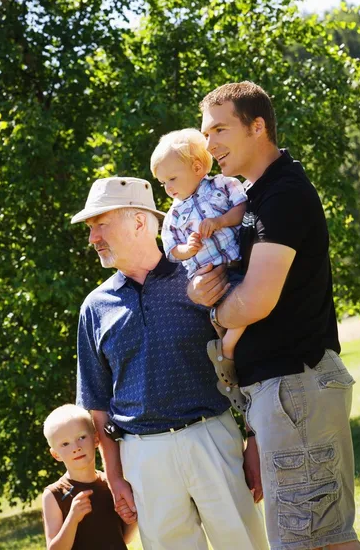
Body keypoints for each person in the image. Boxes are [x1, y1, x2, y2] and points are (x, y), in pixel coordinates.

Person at [188, 80, 360, 550]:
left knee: (304, 540)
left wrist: (218, 309)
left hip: (295, 388)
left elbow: (257, 300)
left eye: (220, 130)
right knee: (326, 538)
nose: (209, 146)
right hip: (292, 391)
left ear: (258, 126)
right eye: (206, 134)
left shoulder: (282, 194)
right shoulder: (256, 197)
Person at [70, 176, 268, 550]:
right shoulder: (94, 308)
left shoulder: (200, 278)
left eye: (101, 225)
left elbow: (246, 361)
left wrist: (254, 443)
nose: (92, 238)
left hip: (213, 437)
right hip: (142, 456)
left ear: (140, 222)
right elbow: (97, 403)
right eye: (90, 228)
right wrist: (115, 477)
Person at [150, 127, 247, 406]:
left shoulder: (222, 185)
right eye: (162, 183)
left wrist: (220, 222)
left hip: (238, 263)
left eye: (171, 178)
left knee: (249, 302)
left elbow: (241, 209)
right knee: (230, 311)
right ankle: (226, 355)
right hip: (209, 278)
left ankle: (227, 354)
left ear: (196, 167)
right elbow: (172, 250)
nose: (167, 188)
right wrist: (187, 249)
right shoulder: (174, 216)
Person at [42, 404, 137, 550]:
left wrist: (131, 518)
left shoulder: (112, 484)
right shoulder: (54, 495)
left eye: (81, 437)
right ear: (55, 454)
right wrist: (72, 519)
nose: (76, 447)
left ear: (96, 439)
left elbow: (124, 538)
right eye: (65, 444)